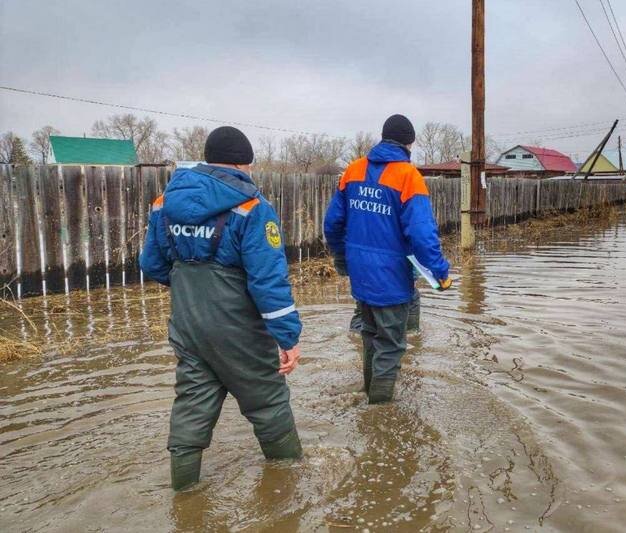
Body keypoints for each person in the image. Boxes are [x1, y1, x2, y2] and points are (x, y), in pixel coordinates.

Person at [140, 126, 303, 491]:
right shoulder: (252, 207)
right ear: (243, 163)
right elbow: (267, 282)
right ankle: (290, 484)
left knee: (193, 402)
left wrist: (190, 288)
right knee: (268, 401)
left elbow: (151, 264)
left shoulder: (164, 203)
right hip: (238, 327)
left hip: (187, 323)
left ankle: (184, 494)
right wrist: (288, 337)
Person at [324, 114, 451, 404]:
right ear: (410, 143)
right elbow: (422, 234)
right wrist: (440, 271)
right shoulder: (409, 176)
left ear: (382, 138)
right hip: (392, 276)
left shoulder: (353, 170)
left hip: (360, 273)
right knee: (391, 345)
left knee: (370, 336)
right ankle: (379, 414)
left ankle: (369, 394)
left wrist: (342, 259)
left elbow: (332, 223)